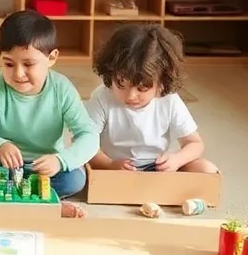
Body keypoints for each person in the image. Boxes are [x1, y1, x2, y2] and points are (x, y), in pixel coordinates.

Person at [0, 10, 96, 216]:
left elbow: (89, 135)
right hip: (5, 166)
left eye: (28, 64)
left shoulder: (62, 89)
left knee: (75, 179)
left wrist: (61, 160)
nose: (18, 73)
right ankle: (46, 202)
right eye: (8, 64)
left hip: (46, 168)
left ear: (51, 58)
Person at [85, 23, 217, 173]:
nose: (131, 95)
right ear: (110, 74)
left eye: (142, 88)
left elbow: (195, 143)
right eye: (121, 84)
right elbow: (85, 143)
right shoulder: (102, 97)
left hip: (157, 168)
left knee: (206, 169)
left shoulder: (169, 100)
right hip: (113, 168)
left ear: (162, 83)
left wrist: (176, 159)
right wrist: (109, 164)